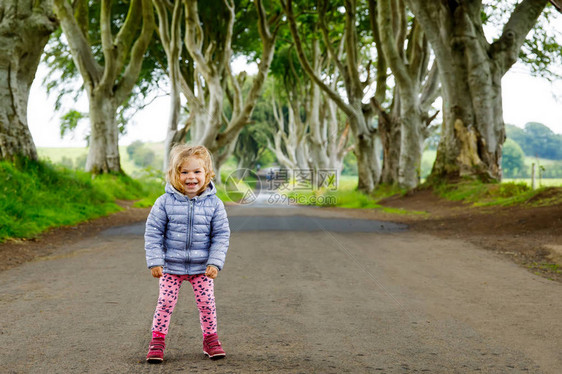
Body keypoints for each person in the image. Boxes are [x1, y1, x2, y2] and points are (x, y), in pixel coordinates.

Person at [144, 144, 230, 363]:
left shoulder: (215, 204)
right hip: (171, 267)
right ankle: (157, 341)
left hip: (202, 267)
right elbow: (153, 232)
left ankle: (210, 339)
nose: (191, 177)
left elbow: (221, 235)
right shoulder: (164, 202)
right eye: (184, 172)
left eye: (197, 172)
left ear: (208, 174)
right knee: (165, 302)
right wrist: (155, 261)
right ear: (175, 175)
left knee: (207, 303)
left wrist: (215, 262)